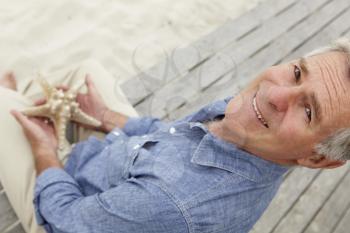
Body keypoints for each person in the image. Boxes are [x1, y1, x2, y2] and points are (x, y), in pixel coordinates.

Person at [1, 38, 350, 233]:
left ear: (318, 157)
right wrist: (108, 117)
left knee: (4, 108)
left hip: (66, 207)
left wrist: (44, 149)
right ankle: (24, 100)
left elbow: (66, 221)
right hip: (118, 168)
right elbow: (175, 136)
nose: (276, 94)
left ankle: (11, 100)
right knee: (87, 70)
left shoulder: (175, 204)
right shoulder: (248, 124)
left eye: (308, 111)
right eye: (296, 72)